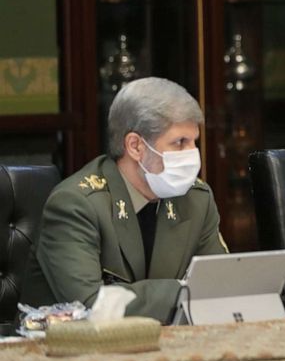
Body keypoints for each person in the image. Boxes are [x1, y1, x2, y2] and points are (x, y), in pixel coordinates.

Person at [22, 77, 227, 323]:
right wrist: (184, 290)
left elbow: (220, 286)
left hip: (165, 344)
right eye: (179, 143)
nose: (193, 155)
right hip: (65, 351)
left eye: (194, 141)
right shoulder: (75, 204)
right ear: (135, 146)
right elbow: (90, 305)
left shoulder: (196, 199)